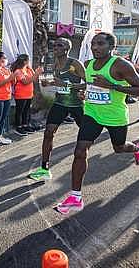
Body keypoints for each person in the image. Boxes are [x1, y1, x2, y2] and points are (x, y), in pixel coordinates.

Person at [55, 32, 139, 215]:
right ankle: (76, 196)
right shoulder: (88, 65)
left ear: (111, 47)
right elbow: (89, 85)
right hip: (92, 113)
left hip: (115, 116)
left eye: (100, 44)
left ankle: (138, 149)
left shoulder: (121, 65)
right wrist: (82, 92)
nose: (95, 47)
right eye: (93, 44)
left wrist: (112, 86)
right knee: (80, 150)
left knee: (119, 147)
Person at [29, 38, 85, 181]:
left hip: (76, 105)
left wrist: (67, 85)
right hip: (60, 103)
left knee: (86, 136)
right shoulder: (55, 64)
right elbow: (57, 81)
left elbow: (89, 83)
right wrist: (49, 82)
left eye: (59, 45)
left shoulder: (75, 64)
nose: (55, 48)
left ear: (67, 48)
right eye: (54, 45)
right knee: (48, 133)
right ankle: (44, 169)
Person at [11, 54, 43, 136]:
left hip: (29, 93)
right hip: (20, 94)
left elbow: (34, 78)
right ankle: (18, 126)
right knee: (20, 111)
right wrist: (36, 74)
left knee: (26, 110)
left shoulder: (28, 69)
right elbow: (25, 82)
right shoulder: (18, 71)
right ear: (25, 61)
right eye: (28, 60)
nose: (29, 62)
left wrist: (35, 73)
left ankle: (25, 125)